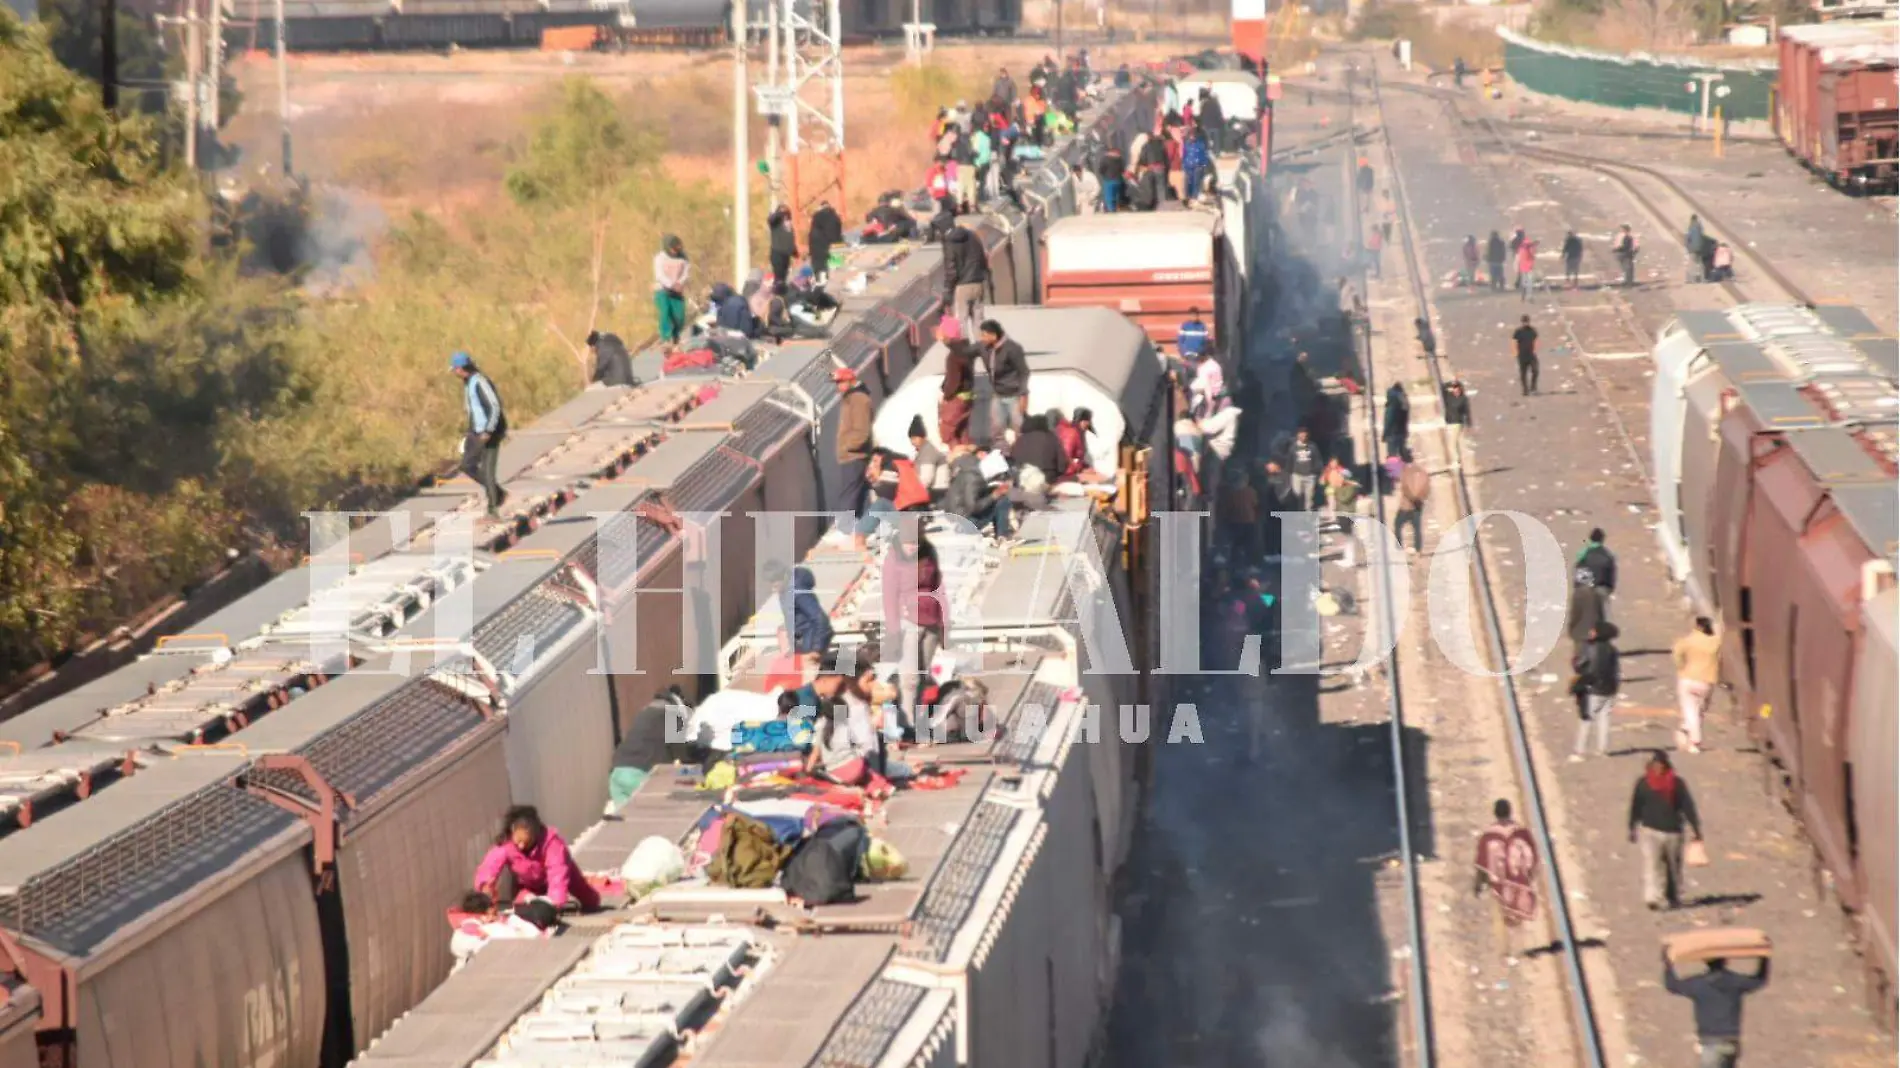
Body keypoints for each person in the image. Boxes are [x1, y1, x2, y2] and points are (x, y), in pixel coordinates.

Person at [474, 806, 599, 912]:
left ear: (536, 834)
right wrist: (486, 888)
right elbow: (490, 866)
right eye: (518, 842)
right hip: (529, 885)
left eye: (526, 842)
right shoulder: (506, 845)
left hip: (565, 876)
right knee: (524, 901)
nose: (522, 846)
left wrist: (554, 904)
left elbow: (558, 873)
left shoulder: (552, 843)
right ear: (512, 832)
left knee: (590, 900)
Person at [884, 527, 946, 724]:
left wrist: (944, 624)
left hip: (932, 619)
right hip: (907, 619)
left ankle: (917, 722)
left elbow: (939, 587)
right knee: (909, 679)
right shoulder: (894, 559)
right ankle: (907, 721)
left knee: (922, 677)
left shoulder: (930, 553)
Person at [1664, 950, 1768, 1068]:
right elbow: (1760, 980)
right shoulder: (1735, 981)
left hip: (1710, 1042)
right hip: (1731, 1042)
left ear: (1706, 962)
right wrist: (1764, 957)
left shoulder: (1698, 984)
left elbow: (1672, 985)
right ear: (1725, 961)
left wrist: (1668, 963)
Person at [1629, 750, 1703, 909]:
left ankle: (1672, 895)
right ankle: (1653, 898)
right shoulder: (1643, 784)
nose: (1659, 768)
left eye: (1662, 765)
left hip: (1673, 831)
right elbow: (1636, 806)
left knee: (1672, 867)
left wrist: (1696, 829)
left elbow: (1687, 806)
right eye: (1656, 765)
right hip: (1650, 831)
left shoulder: (1677, 784)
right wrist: (1632, 827)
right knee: (1652, 864)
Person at [1473, 798, 1537, 960]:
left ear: (1495, 813)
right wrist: (1528, 876)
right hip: (1519, 881)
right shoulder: (1521, 832)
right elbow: (1532, 856)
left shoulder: (1489, 835)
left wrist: (1478, 883)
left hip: (1497, 883)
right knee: (1518, 915)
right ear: (1510, 812)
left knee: (1499, 916)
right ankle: (1520, 949)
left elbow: (1482, 861)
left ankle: (1504, 949)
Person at [451, 352, 508, 518]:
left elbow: (494, 406)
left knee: (488, 471)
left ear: (461, 369)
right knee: (467, 465)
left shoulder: (479, 382)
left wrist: (488, 431)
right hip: (476, 431)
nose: (454, 373)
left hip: (490, 432)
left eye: (455, 369)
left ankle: (493, 510)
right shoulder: (468, 382)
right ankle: (498, 493)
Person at [833, 368, 874, 536]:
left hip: (855, 455)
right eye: (837, 383)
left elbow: (862, 431)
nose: (838, 386)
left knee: (849, 493)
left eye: (841, 382)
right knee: (856, 493)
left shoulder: (858, 399)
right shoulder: (852, 398)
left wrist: (847, 446)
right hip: (852, 455)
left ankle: (845, 529)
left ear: (850, 380)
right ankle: (857, 530)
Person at [1571, 621, 1621, 759]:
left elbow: (1579, 665)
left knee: (1586, 719)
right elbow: (1617, 671)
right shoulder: (1613, 650)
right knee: (1604, 719)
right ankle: (1602, 750)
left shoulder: (1590, 648)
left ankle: (1579, 750)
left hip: (1593, 689)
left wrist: (1575, 660)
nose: (1591, 632)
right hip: (1609, 689)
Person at [978, 319, 1030, 446]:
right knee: (996, 427)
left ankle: (1022, 451)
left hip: (1014, 394)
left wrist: (1023, 394)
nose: (982, 338)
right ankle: (1001, 452)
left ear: (994, 335)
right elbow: (966, 351)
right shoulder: (985, 348)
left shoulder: (1012, 348)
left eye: (984, 335)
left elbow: (1023, 372)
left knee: (1019, 426)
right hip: (998, 394)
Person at [1673, 617, 1721, 753]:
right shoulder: (1715, 642)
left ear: (1697, 627)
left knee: (1689, 710)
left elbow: (1677, 654)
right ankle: (1687, 730)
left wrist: (1681, 667)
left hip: (1688, 679)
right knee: (1699, 710)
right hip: (1707, 681)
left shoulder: (1687, 641)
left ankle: (1694, 740)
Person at [943, 222, 989, 337]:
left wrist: (948, 290)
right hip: (978, 282)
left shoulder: (950, 242)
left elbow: (951, 269)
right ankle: (983, 348)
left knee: (960, 321)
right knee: (978, 319)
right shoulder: (974, 237)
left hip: (962, 286)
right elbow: (983, 259)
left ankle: (964, 350)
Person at [939, 318, 977, 448]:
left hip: (956, 399)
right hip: (968, 397)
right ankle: (969, 459)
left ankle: (959, 460)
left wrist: (946, 396)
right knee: (963, 433)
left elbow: (953, 381)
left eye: (942, 332)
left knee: (948, 434)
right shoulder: (966, 350)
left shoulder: (954, 356)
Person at [652, 235, 691, 344]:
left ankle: (676, 336)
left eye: (677, 250)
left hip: (677, 291)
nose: (674, 252)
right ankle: (666, 338)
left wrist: (680, 283)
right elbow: (659, 275)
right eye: (672, 250)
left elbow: (686, 273)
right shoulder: (660, 258)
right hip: (662, 289)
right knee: (665, 312)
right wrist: (671, 284)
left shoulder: (683, 258)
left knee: (679, 317)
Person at [1010, 413, 1066, 485]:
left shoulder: (1020, 439)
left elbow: (1014, 458)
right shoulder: (1051, 437)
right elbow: (1062, 464)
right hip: (1046, 478)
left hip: (1023, 478)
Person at [907, 415, 949, 499]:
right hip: (934, 491)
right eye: (911, 439)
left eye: (915, 438)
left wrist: (912, 492)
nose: (912, 442)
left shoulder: (928, 452)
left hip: (938, 492)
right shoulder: (922, 451)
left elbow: (926, 479)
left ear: (923, 437)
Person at [1395, 456, 1430, 554]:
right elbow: (1426, 489)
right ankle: (1418, 549)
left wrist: (1412, 499)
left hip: (1406, 506)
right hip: (1418, 506)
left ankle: (1398, 547)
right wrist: (1420, 499)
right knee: (1417, 528)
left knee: (1398, 524)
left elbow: (1405, 488)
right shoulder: (1423, 473)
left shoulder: (1405, 472)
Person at [808, 200, 843, 287]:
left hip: (818, 249)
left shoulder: (816, 217)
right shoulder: (835, 217)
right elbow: (838, 232)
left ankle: (821, 287)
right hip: (836, 247)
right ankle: (836, 286)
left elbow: (813, 235)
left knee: (820, 273)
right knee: (836, 270)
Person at [1575, 527, 1617, 600]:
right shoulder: (1608, 556)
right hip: (1601, 591)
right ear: (1602, 540)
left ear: (1590, 539)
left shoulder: (1583, 554)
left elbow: (1578, 575)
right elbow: (1611, 580)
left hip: (1584, 589)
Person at [1288, 426, 1320, 511]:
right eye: (1301, 435)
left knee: (1309, 498)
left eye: (1305, 435)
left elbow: (1317, 460)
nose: (1303, 437)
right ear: (1298, 435)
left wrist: (1315, 472)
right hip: (1297, 475)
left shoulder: (1312, 446)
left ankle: (1308, 516)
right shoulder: (1293, 447)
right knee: (1297, 496)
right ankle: (1298, 514)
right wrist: (1290, 472)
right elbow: (1290, 461)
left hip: (1310, 476)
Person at [1442, 380, 1471, 469]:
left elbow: (1466, 412)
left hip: (1457, 423)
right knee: (1451, 442)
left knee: (1452, 443)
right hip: (1449, 422)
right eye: (1454, 388)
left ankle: (1456, 461)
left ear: (1460, 389)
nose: (1455, 390)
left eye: (1457, 388)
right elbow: (1442, 387)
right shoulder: (1449, 396)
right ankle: (1456, 460)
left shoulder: (1463, 399)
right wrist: (1450, 383)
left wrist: (1468, 423)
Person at [768, 205, 797, 286]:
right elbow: (771, 219)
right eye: (783, 214)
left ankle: (782, 292)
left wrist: (794, 251)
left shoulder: (788, 225)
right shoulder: (775, 224)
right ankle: (778, 293)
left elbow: (789, 239)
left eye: (786, 214)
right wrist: (780, 213)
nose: (785, 215)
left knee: (784, 278)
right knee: (779, 279)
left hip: (786, 255)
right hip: (777, 253)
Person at [1182, 126, 1212, 202]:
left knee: (1196, 182)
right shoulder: (1187, 144)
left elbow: (1204, 155)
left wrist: (1204, 165)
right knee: (1189, 182)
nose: (1192, 137)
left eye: (1193, 136)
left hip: (1198, 165)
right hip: (1189, 165)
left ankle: (1194, 198)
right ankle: (1188, 197)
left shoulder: (1199, 144)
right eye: (1191, 136)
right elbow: (1185, 155)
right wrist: (1184, 165)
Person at [1382, 380, 1410, 461]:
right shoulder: (1404, 401)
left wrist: (1385, 434)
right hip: (1401, 431)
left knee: (1392, 455)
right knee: (1402, 452)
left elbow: (1389, 420)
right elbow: (1405, 418)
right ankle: (1405, 470)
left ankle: (1394, 472)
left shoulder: (1392, 404)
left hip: (1392, 433)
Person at [1512, 315, 1539, 395]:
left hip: (1531, 354)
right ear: (1522, 322)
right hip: (1522, 355)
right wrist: (1515, 353)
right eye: (1524, 322)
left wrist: (1535, 350)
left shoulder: (1532, 331)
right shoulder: (1518, 332)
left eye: (1527, 322)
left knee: (1535, 370)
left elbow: (1536, 340)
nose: (1526, 324)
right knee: (1523, 373)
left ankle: (1533, 386)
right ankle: (1525, 389)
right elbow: (1514, 342)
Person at [1096, 141, 1126, 212]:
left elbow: (1101, 169)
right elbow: (1122, 169)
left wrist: (1103, 175)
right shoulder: (1120, 159)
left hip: (1108, 180)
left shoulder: (1105, 158)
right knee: (1117, 197)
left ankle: (1112, 212)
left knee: (1109, 198)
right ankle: (1116, 209)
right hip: (1118, 180)